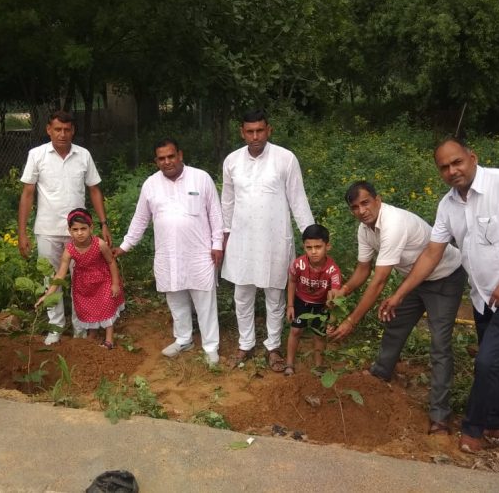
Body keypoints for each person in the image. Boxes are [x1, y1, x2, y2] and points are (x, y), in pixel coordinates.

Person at [380, 138, 499, 452]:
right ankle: (495, 423)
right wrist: (399, 294)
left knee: (487, 361)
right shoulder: (448, 205)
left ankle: (472, 430)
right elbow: (432, 254)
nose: (452, 171)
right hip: (483, 296)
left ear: (472, 158)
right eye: (444, 167)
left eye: (457, 162)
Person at [328, 181, 465, 434]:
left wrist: (351, 321)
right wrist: (343, 290)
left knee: (439, 343)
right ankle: (381, 373)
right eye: (355, 207)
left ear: (378, 200)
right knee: (395, 323)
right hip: (414, 279)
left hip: (444, 278)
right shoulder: (365, 230)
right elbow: (363, 269)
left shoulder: (393, 223)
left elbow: (379, 281)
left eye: (366, 203)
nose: (362, 210)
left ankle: (440, 415)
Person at [113, 139, 223, 366]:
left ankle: (211, 347)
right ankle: (183, 339)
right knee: (175, 298)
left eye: (171, 156)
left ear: (180, 155)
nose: (167, 162)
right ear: (156, 161)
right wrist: (125, 245)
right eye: (161, 158)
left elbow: (215, 214)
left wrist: (217, 244)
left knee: (205, 302)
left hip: (200, 254)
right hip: (168, 255)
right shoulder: (150, 185)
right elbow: (140, 219)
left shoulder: (201, 178)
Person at [221, 109, 314, 372]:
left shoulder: (285, 159)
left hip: (274, 240)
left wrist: (312, 240)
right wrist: (223, 236)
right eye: (249, 131)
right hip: (242, 240)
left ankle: (273, 346)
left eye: (259, 130)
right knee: (242, 294)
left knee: (275, 295)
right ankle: (245, 344)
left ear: (269, 130)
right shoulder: (232, 161)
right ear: (242, 132)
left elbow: (298, 199)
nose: (255, 136)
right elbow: (226, 202)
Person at [18, 110, 110, 345]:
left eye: (67, 130)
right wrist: (22, 232)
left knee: (82, 279)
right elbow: (28, 194)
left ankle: (82, 325)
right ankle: (56, 327)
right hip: (47, 229)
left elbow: (95, 190)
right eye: (57, 129)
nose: (62, 134)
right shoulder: (37, 155)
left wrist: (103, 223)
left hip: (79, 233)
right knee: (52, 278)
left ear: (73, 131)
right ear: (49, 130)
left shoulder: (83, 155)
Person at [37, 208, 123, 349]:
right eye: (75, 229)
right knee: (90, 309)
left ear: (91, 228)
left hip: (103, 280)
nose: (80, 233)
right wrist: (47, 295)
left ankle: (109, 339)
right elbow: (60, 274)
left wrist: (115, 283)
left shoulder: (99, 244)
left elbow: (111, 262)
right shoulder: (69, 249)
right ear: (70, 231)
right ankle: (92, 335)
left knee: (106, 305)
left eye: (83, 228)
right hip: (83, 284)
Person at [284, 224, 342, 376]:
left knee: (319, 334)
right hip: (301, 300)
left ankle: (319, 367)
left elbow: (335, 296)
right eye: (309, 247)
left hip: (322, 305)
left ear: (327, 246)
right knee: (296, 330)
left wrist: (332, 319)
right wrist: (290, 305)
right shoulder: (298, 264)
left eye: (318, 246)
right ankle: (289, 364)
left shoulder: (333, 270)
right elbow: (291, 281)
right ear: (304, 247)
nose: (314, 251)